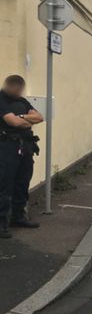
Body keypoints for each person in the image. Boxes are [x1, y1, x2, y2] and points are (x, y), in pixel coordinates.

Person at [0, 75, 43, 239]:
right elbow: (13, 122)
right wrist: (26, 120)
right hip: (7, 147)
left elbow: (39, 117)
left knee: (22, 182)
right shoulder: (1, 99)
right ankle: (2, 222)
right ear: (9, 86)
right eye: (16, 88)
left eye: (20, 89)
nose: (18, 91)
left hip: (25, 147)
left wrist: (23, 118)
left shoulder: (23, 101)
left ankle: (18, 217)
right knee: (5, 185)